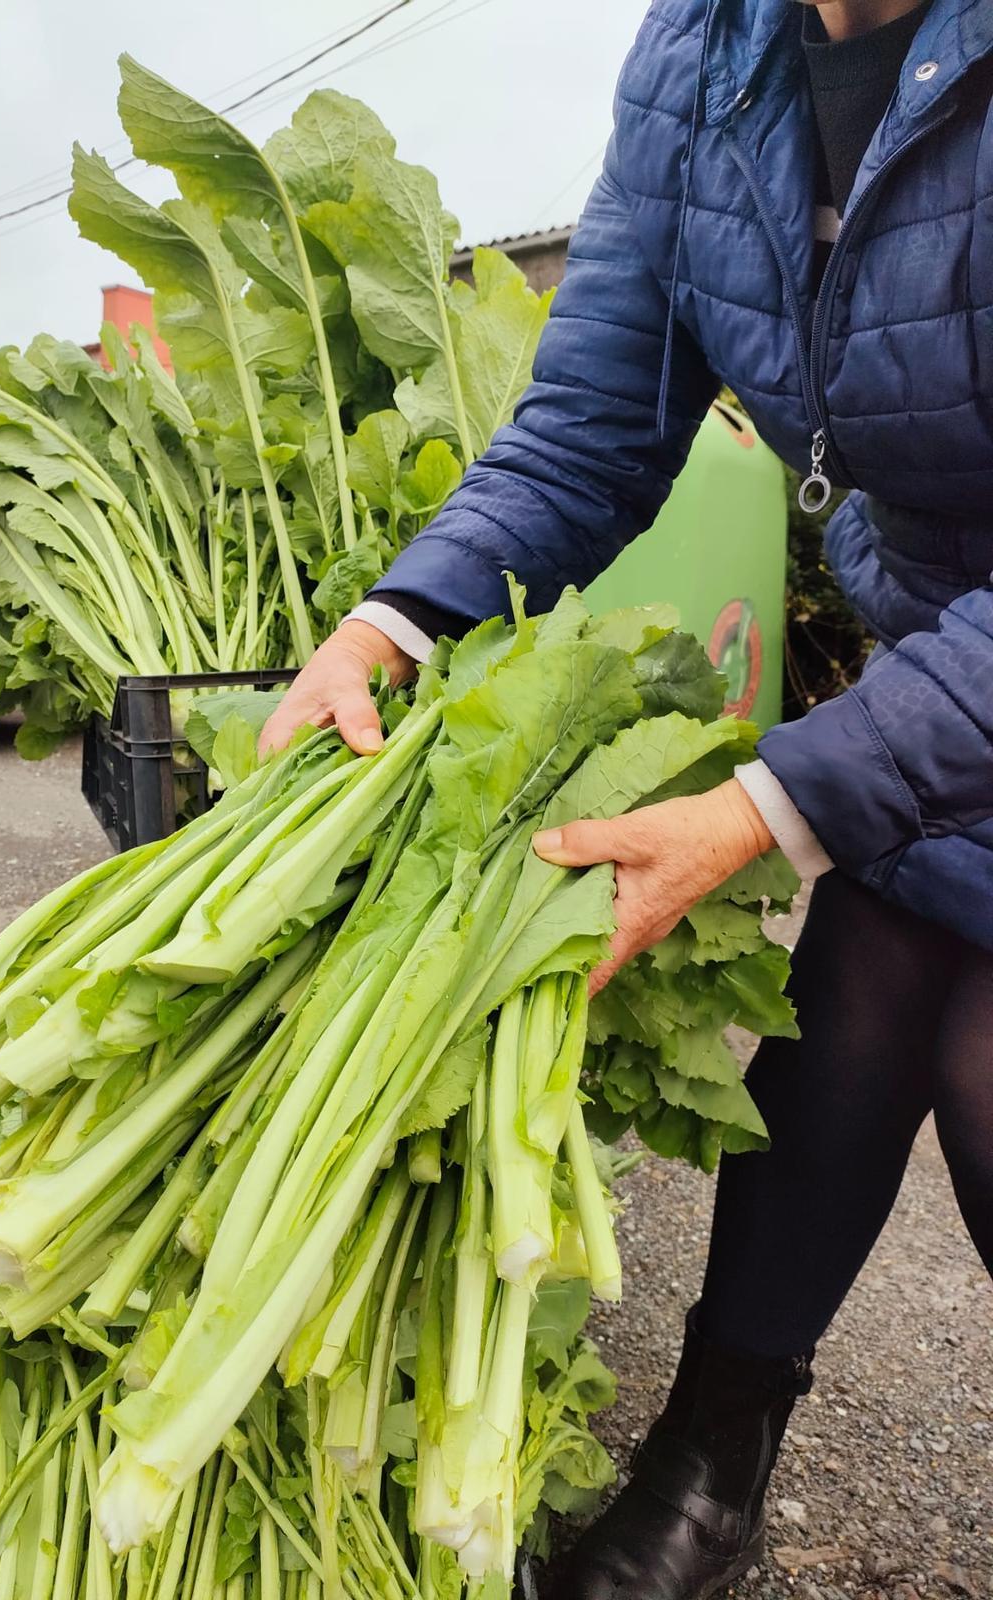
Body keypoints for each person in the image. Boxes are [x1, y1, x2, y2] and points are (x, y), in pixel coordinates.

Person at [261, 0, 993, 1594]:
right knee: (852, 1009)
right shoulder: (699, 55)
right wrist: (395, 620)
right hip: (948, 653)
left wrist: (765, 808)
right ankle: (711, 1462)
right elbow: (595, 424)